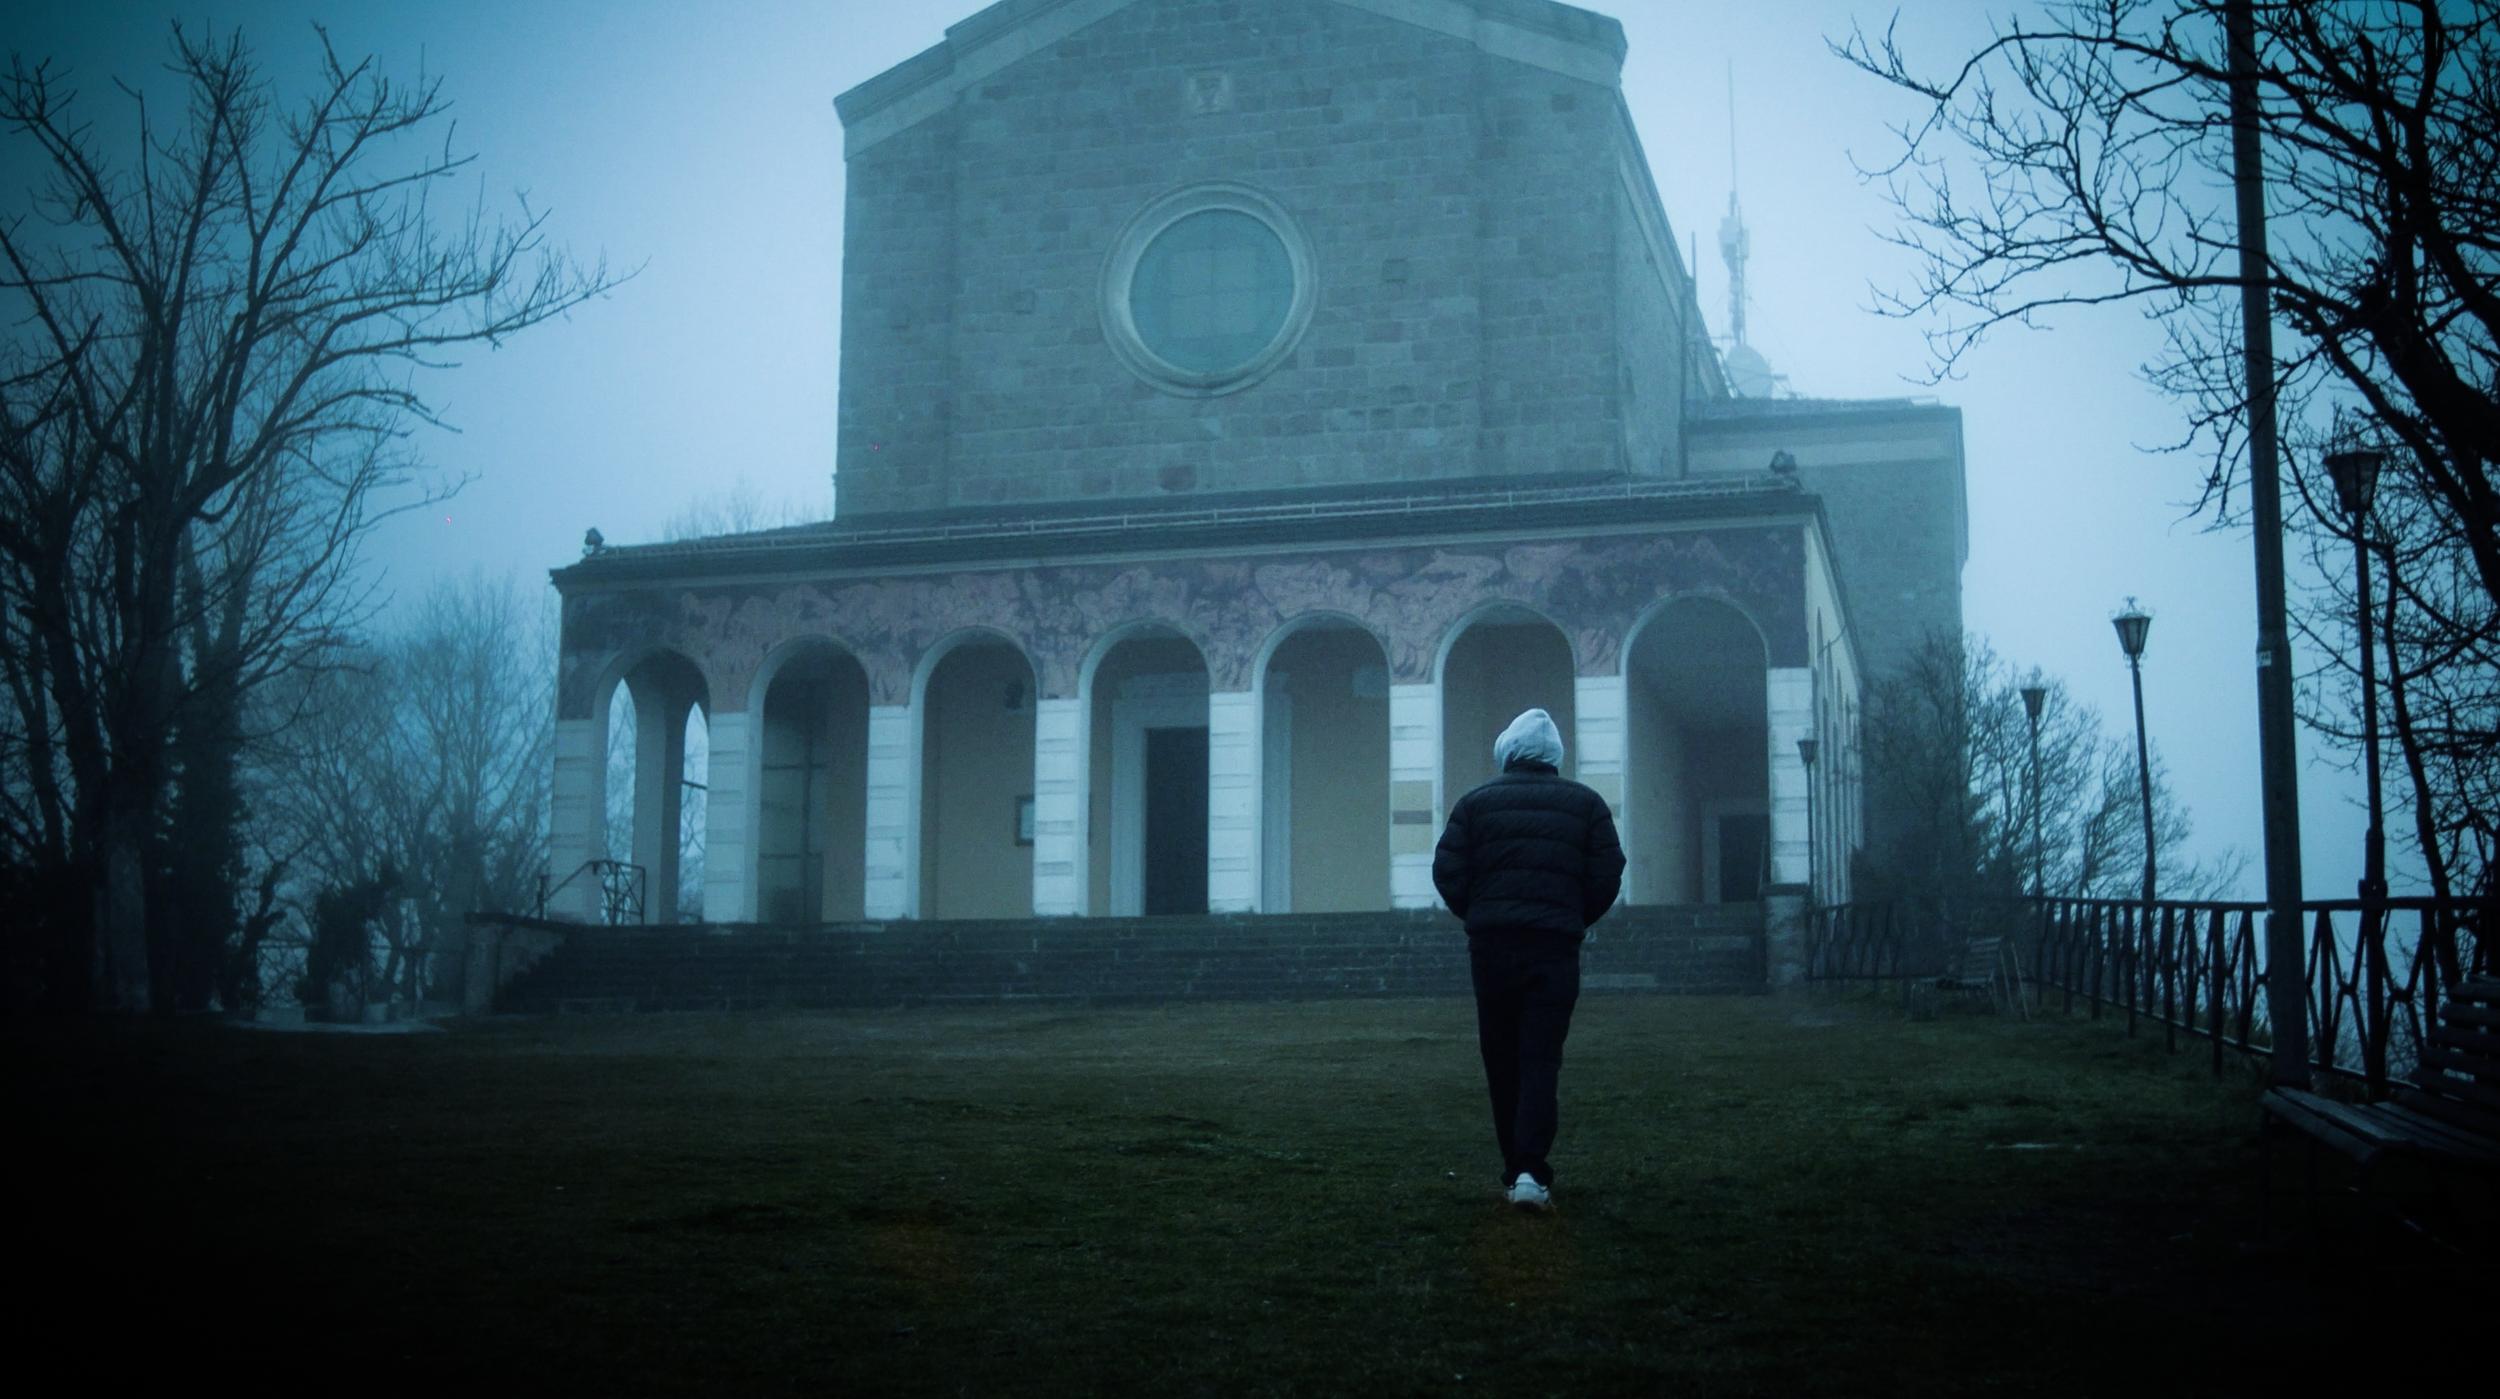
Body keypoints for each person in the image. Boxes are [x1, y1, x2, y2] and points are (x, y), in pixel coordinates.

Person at [1431, 707, 1624, 1211]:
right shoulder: (1586, 805)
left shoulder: (1474, 804)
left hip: (1492, 948)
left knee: (1501, 1059)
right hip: (1554, 948)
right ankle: (1530, 1176)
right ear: (1554, 756)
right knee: (1540, 1059)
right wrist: (1572, 915)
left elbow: (1448, 871)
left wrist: (1481, 913)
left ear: (1507, 753)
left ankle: (1514, 1169)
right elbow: (1607, 873)